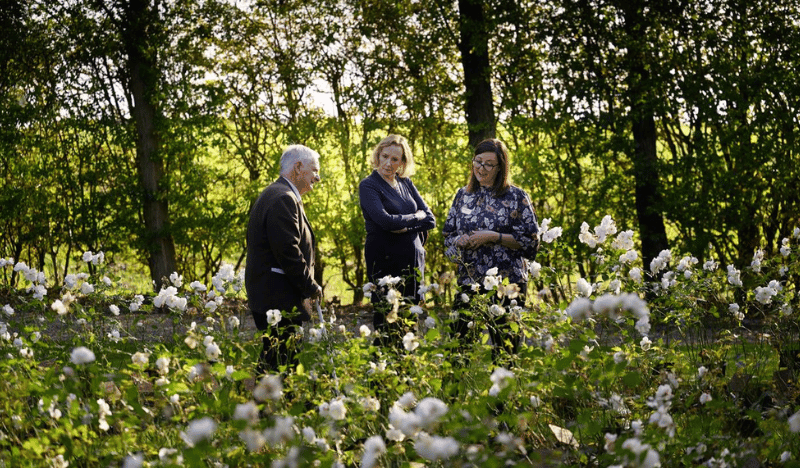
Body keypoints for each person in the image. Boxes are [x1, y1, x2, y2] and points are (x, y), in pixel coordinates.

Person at [443, 138, 539, 360]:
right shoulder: (463, 195)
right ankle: (453, 395)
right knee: (457, 350)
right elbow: (447, 238)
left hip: (507, 284)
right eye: (478, 161)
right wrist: (459, 242)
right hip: (470, 283)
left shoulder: (516, 196)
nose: (481, 168)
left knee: (506, 352)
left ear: (500, 168)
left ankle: (504, 395)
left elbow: (531, 241)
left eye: (488, 164)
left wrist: (493, 237)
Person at [245, 144, 323, 375]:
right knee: (279, 361)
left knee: (276, 359)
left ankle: (270, 407)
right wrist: (310, 286)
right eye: (315, 171)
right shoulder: (283, 198)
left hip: (274, 295)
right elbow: (288, 251)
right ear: (298, 168)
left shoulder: (279, 193)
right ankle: (268, 408)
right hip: (278, 297)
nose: (317, 178)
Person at [359, 134, 435, 344]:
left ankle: (406, 375)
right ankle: (382, 375)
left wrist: (405, 225)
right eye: (384, 156)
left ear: (403, 162)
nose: (388, 163)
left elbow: (430, 220)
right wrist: (414, 217)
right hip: (385, 264)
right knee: (387, 325)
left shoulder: (405, 183)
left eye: (395, 159)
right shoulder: (369, 186)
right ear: (377, 155)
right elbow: (386, 222)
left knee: (410, 325)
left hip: (413, 264)